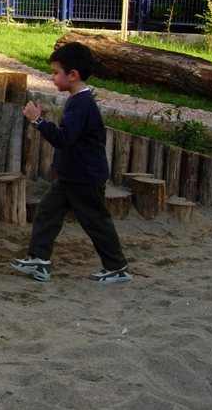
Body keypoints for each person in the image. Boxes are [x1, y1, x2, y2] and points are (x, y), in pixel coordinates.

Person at [10, 42, 132, 284]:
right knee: (47, 212)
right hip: (70, 176)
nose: (52, 77)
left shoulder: (82, 104)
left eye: (56, 73)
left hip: (85, 177)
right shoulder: (77, 101)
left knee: (96, 222)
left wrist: (39, 122)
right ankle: (38, 259)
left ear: (73, 74)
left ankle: (117, 267)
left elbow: (64, 139)